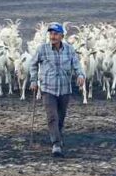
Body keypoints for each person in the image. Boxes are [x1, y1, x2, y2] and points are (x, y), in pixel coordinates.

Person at [28, 22, 85, 157]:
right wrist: (33, 80)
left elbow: (76, 65)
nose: (52, 36)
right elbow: (33, 65)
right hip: (48, 89)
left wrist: (81, 75)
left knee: (61, 116)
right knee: (52, 116)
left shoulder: (69, 50)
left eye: (55, 34)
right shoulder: (42, 49)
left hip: (65, 89)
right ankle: (56, 144)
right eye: (51, 34)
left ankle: (57, 136)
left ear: (62, 36)